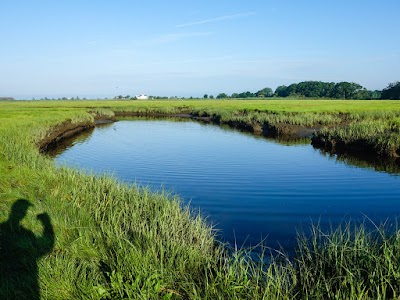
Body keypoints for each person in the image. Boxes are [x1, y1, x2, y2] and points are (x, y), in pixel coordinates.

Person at [0, 199, 54, 300]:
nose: (24, 213)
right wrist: (46, 223)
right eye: (23, 211)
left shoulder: (20, 232)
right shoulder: (26, 234)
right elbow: (45, 248)